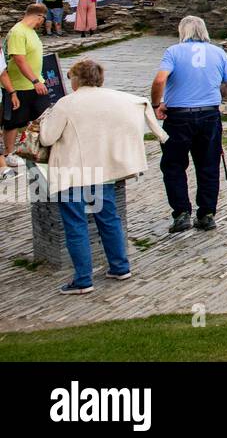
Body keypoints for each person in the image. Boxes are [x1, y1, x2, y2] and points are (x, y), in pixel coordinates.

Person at [38, 58, 166, 294]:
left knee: (75, 224)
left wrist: (45, 120)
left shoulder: (67, 104)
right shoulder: (117, 99)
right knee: (108, 218)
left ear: (76, 79)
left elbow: (47, 138)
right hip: (102, 170)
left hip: (74, 171)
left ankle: (83, 279)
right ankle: (119, 266)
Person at [151, 15, 227, 233]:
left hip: (179, 116)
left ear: (183, 32)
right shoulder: (218, 52)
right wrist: (217, 93)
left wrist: (156, 104)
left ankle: (181, 213)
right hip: (209, 115)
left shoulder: (173, 51)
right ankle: (206, 214)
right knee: (208, 164)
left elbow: (160, 79)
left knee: (173, 165)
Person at [4, 4, 49, 169]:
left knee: (44, 116)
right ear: (39, 16)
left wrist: (38, 80)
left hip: (37, 83)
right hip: (20, 85)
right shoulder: (18, 32)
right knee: (15, 121)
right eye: (43, 20)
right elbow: (19, 59)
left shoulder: (31, 33)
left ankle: (35, 149)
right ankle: (9, 154)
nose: (42, 24)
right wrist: (34, 81)